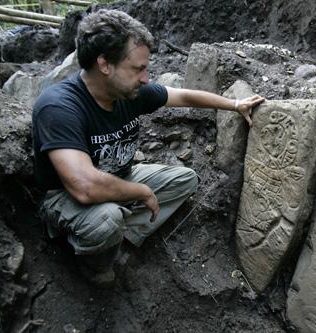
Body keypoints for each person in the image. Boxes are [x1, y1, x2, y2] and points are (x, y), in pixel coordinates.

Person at [32, 9, 265, 287]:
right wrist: (141, 191)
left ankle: (121, 237)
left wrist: (235, 105)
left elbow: (184, 95)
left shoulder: (127, 92)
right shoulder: (60, 106)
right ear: (105, 64)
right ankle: (94, 264)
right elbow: (84, 186)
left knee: (185, 180)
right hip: (66, 197)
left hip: (116, 176)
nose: (145, 78)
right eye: (138, 69)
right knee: (105, 219)